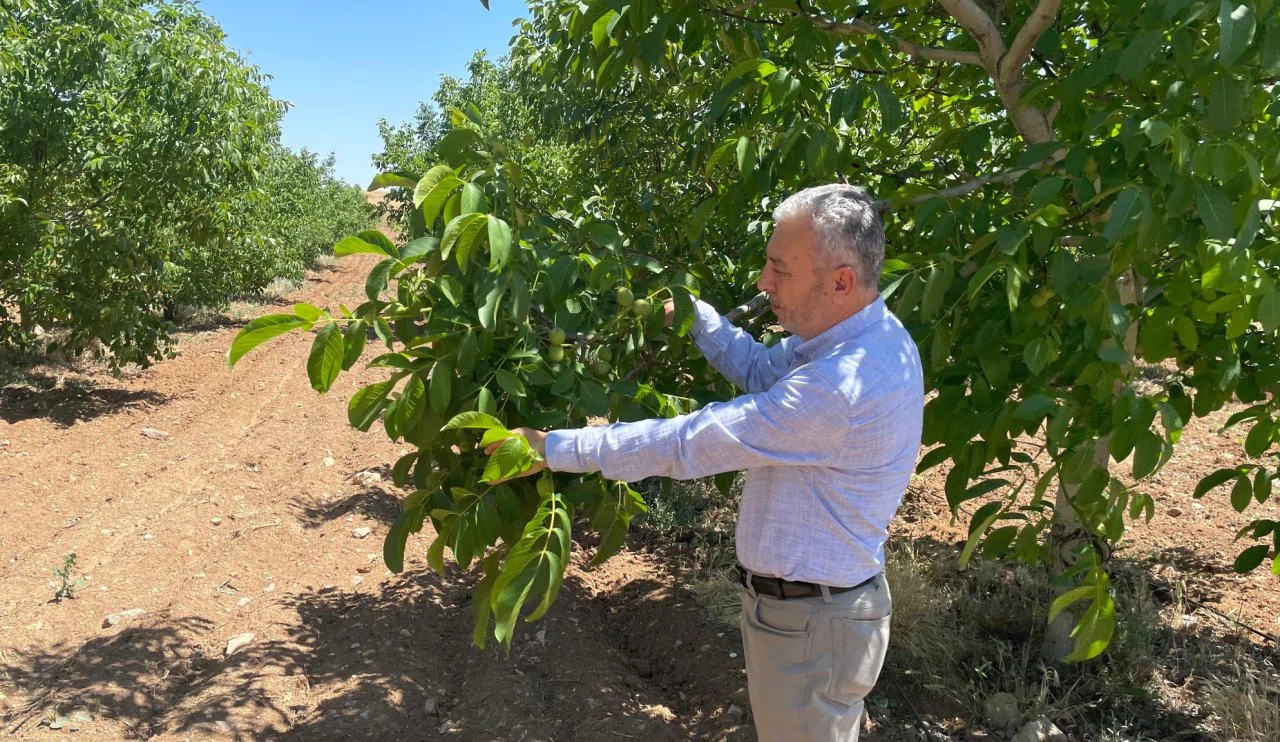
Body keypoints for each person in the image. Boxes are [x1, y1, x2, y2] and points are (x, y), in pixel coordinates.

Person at [493, 184, 924, 741]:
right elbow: (764, 372)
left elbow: (689, 443)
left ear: (840, 280)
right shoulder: (855, 339)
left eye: (780, 269)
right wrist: (699, 319)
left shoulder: (839, 388)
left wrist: (553, 447)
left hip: (813, 626)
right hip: (811, 617)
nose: (764, 284)